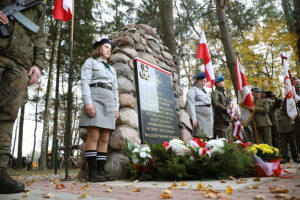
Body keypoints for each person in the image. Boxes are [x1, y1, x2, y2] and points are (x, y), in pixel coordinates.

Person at [0, 1, 46, 194]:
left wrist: (38, 64)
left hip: (21, 64)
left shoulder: (37, 5)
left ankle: (0, 170)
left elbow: (40, 36)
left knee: (7, 116)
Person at [79, 38, 119, 182]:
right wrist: (87, 102)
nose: (109, 50)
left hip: (109, 101)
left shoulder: (111, 69)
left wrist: (116, 106)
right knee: (94, 136)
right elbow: (84, 82)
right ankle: (93, 172)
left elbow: (115, 88)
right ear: (99, 48)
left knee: (105, 138)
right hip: (95, 97)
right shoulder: (90, 62)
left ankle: (101, 171)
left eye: (110, 48)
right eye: (106, 47)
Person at [186, 72, 213, 138]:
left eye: (204, 81)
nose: (203, 83)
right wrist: (193, 118)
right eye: (201, 81)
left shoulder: (204, 92)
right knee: (201, 135)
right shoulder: (193, 90)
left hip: (208, 117)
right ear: (197, 81)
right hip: (200, 117)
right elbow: (191, 104)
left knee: (208, 136)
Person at [277, 98, 300, 164]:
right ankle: (285, 158)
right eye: (281, 103)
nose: (282, 104)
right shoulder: (278, 109)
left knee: (293, 144)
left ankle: (296, 157)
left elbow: (293, 115)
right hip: (282, 129)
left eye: (283, 103)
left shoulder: (290, 110)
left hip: (291, 129)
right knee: (283, 145)